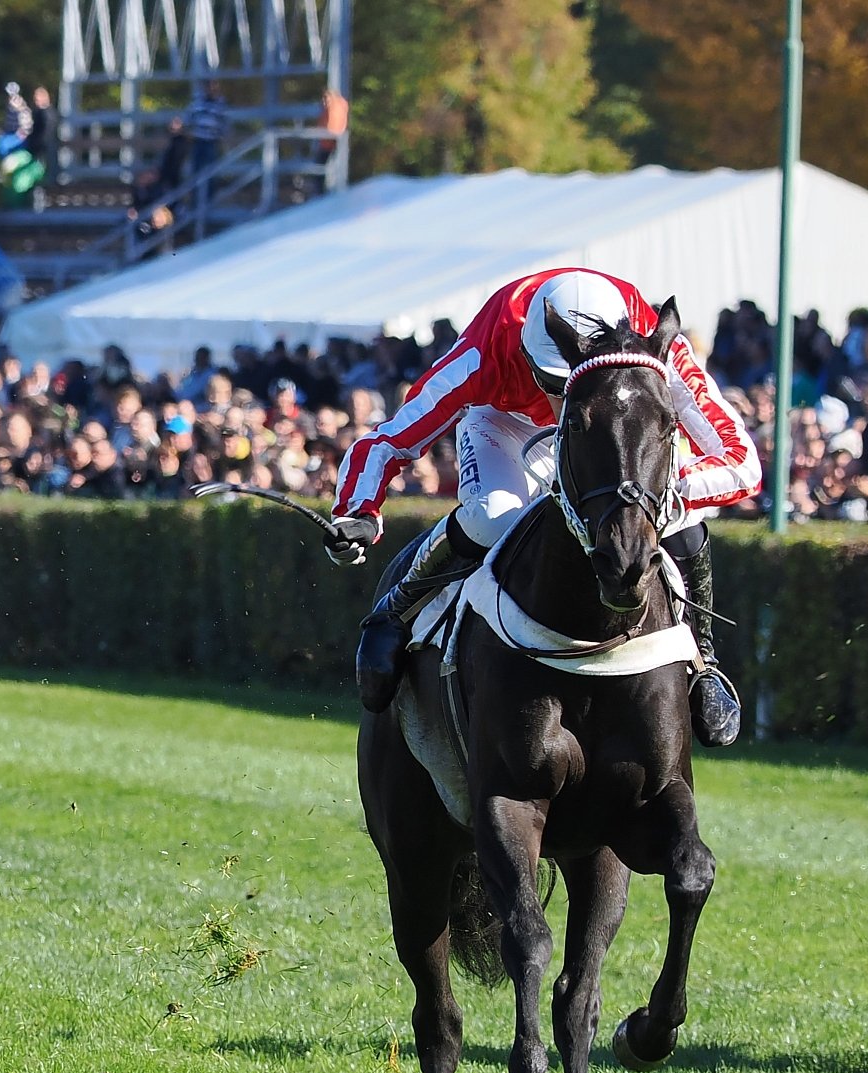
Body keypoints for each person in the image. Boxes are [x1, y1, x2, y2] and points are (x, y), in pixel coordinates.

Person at [323, 268, 763, 744]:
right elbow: (392, 438)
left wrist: (645, 495)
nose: (556, 398)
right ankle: (398, 607)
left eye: (565, 384)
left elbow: (742, 462)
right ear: (529, 355)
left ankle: (706, 662)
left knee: (676, 517)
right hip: (503, 424)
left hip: (610, 421)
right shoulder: (484, 351)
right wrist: (357, 511)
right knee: (494, 515)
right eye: (548, 381)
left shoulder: (650, 341)